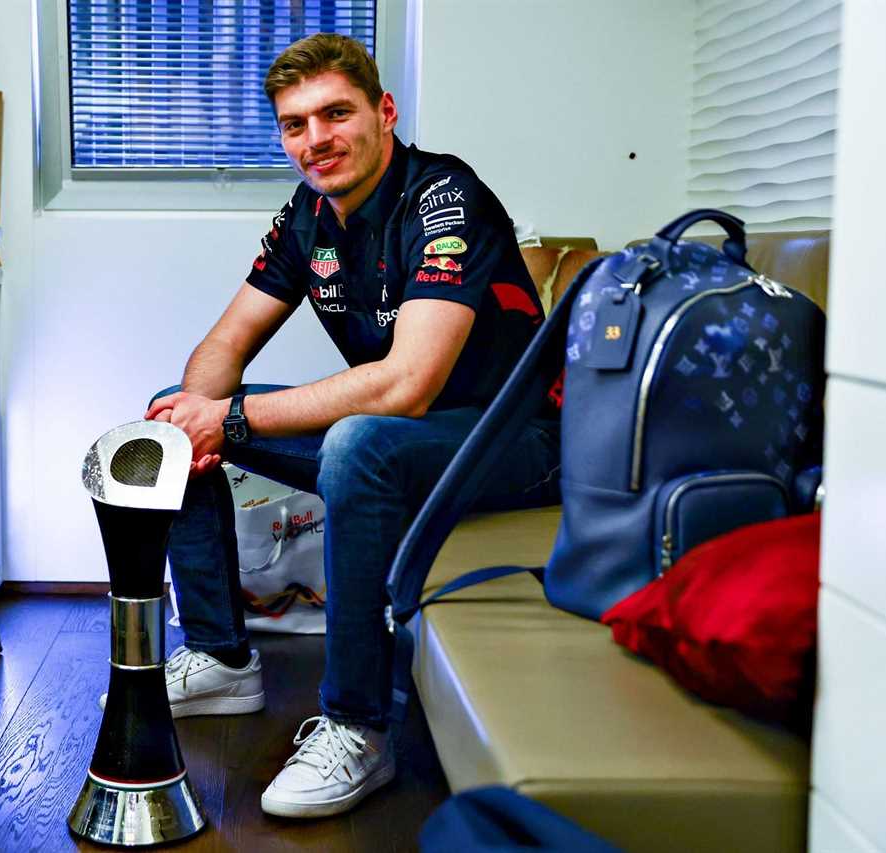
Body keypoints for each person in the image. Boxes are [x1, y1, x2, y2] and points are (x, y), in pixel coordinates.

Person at [144, 33, 560, 818]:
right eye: (295, 124)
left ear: (384, 112)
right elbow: (227, 344)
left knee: (357, 440)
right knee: (177, 404)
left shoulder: (445, 197)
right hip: (412, 438)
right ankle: (221, 656)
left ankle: (358, 726)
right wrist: (198, 418)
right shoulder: (309, 214)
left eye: (336, 113)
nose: (316, 139)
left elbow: (406, 385)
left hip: (515, 443)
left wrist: (227, 419)